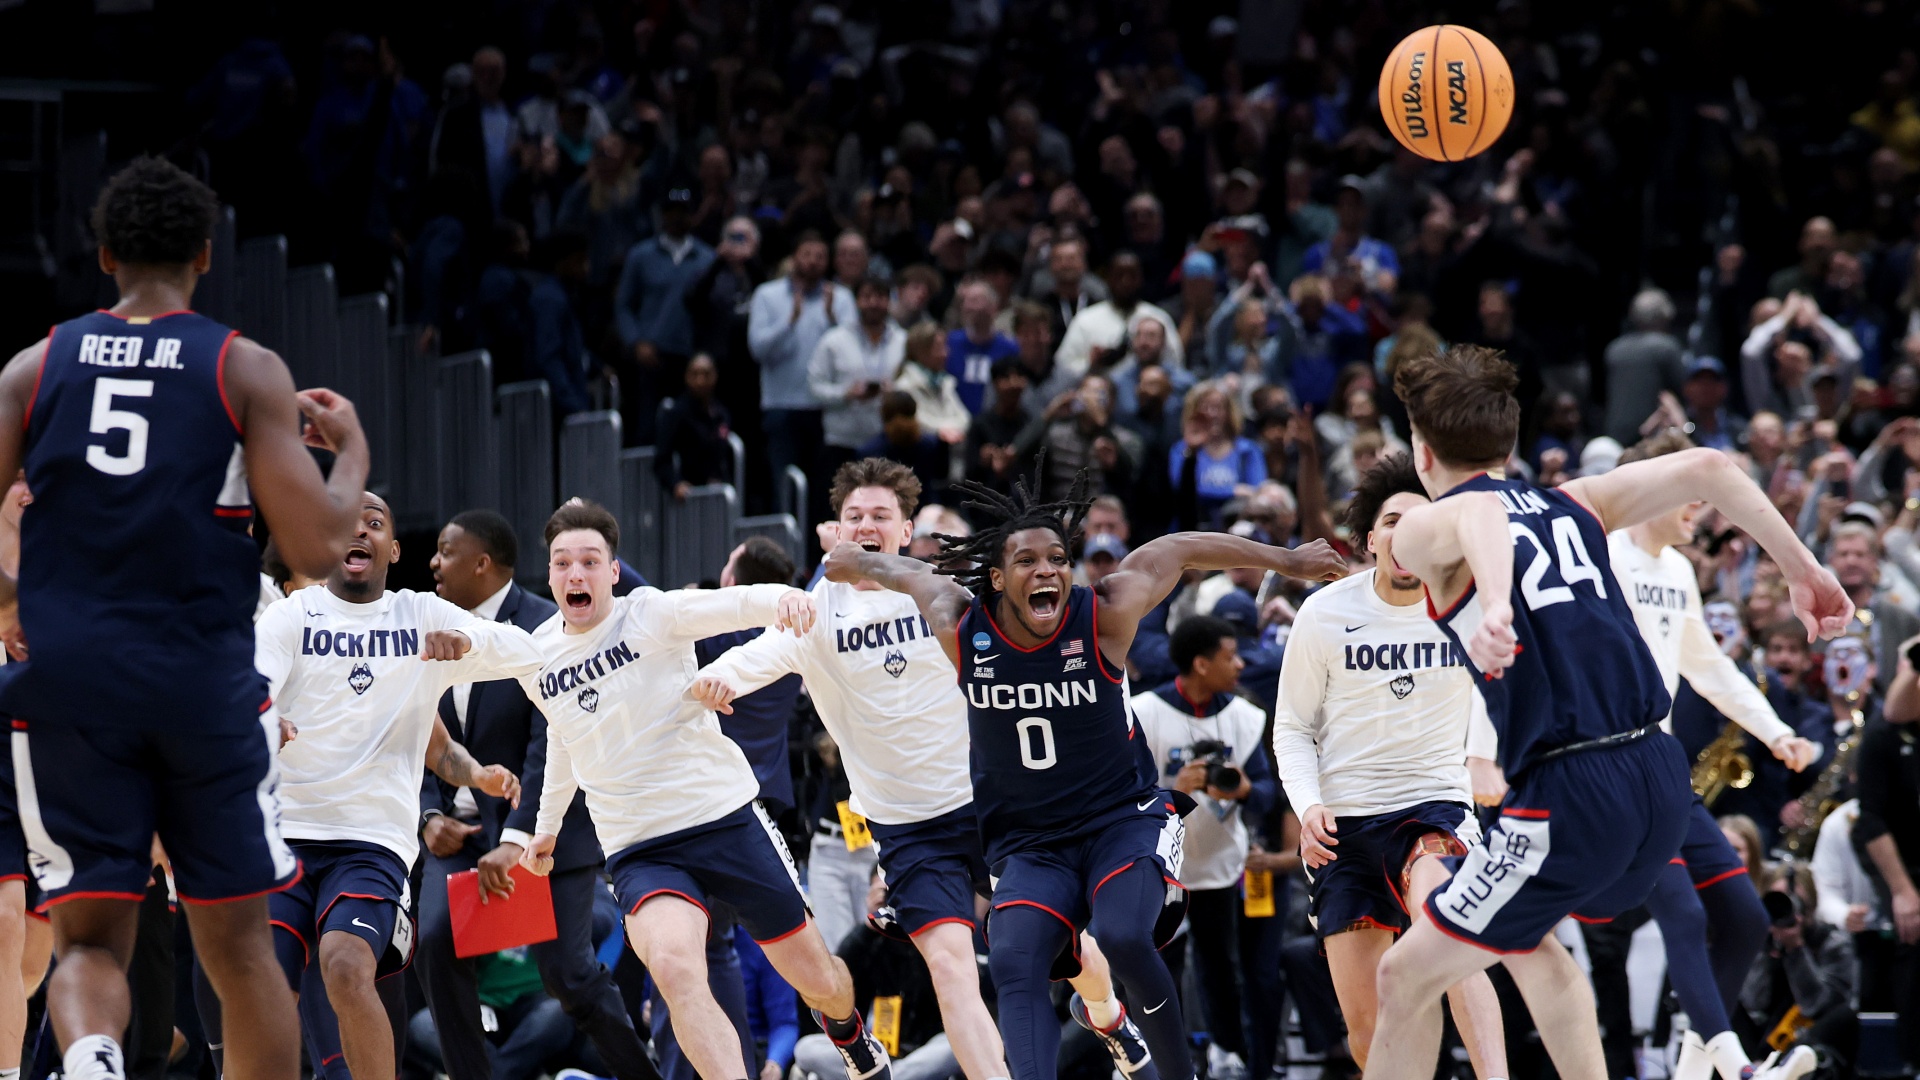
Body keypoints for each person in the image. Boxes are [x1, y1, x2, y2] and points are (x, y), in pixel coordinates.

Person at [1368, 344, 1850, 1080]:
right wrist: (1802, 568)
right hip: (1658, 779)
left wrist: (1494, 602)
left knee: (1404, 976)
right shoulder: (1577, 501)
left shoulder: (1424, 525)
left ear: (1420, 450)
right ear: (1511, 441)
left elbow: (1477, 521)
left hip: (1571, 793)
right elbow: (1713, 469)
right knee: (1530, 945)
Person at [0, 156, 371, 1080]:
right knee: (243, 954)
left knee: (87, 937)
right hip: (199, 683)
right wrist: (354, 449)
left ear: (104, 254)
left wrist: (10, 605)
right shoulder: (242, 367)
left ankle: (90, 1060)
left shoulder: (29, 368)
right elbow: (318, 547)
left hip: (71, 683)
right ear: (207, 256)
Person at [817, 464, 1345, 1080]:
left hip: (1120, 820)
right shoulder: (960, 624)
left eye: (1058, 558)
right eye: (1027, 562)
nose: (1046, 571)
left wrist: (1285, 559)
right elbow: (899, 569)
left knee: (1122, 935)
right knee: (1013, 958)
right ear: (995, 578)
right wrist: (848, 562)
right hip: (1031, 843)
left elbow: (1177, 548)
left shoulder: (1105, 614)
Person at [693, 459, 1158, 1080]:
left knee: (1067, 957)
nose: (865, 525)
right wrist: (717, 679)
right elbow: (760, 655)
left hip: (990, 808)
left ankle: (1106, 1014)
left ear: (905, 529)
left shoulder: (942, 592)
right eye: (852, 516)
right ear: (833, 532)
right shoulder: (815, 610)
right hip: (906, 828)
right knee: (949, 965)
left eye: (880, 516)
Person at [514, 501, 891, 1080]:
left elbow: (732, 602)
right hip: (639, 848)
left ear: (613, 571)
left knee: (818, 979)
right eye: (562, 563)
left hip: (722, 819)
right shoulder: (539, 657)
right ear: (549, 574)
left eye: (590, 561)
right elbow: (566, 739)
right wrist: (546, 827)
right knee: (675, 968)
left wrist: (783, 599)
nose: (575, 574)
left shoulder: (652, 614)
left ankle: (849, 1031)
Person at [255, 493, 530, 1080]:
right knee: (263, 988)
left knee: (346, 964)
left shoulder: (423, 614)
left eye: (374, 523)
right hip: (282, 837)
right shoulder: (290, 617)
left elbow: (522, 651)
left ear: (394, 548)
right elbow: (254, 682)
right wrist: (262, 716)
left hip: (370, 843)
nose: (359, 529)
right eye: (345, 523)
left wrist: (470, 643)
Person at [1269, 453, 1508, 1080]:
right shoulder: (1323, 614)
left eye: (1422, 521)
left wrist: (1481, 757)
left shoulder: (1467, 605)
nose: (1407, 534)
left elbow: (1500, 687)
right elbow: (1292, 728)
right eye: (1393, 521)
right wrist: (1307, 804)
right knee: (1366, 1028)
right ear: (1371, 539)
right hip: (1345, 820)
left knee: (1447, 926)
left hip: (1435, 803)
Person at [1603, 432, 1819, 1080]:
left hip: (1662, 765)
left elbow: (1708, 666)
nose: (1700, 510)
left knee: (1745, 918)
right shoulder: (1602, 559)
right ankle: (1738, 1066)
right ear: (1651, 489)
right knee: (1685, 911)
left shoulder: (1675, 572)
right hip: (1609, 766)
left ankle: (1694, 1071)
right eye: (1690, 497)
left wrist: (1775, 729)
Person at [416, 510, 656, 1080]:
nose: (434, 562)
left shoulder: (546, 626)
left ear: (482, 563)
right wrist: (428, 813)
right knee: (431, 942)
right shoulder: (432, 628)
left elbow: (550, 741)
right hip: (462, 834)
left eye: (446, 551)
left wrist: (520, 834)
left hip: (546, 828)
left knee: (568, 977)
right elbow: (414, 727)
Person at [1130, 616, 1280, 1080]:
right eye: (1229, 656)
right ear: (1200, 663)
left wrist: (1242, 791)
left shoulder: (1245, 716)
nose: (1240, 664)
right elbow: (1122, 795)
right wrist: (1175, 787)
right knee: (1155, 970)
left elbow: (1269, 797)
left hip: (1220, 865)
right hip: (1160, 868)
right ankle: (1149, 1059)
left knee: (1222, 970)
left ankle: (1227, 1054)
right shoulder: (1144, 712)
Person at [749, 232, 856, 523]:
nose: (812, 262)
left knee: (827, 492)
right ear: (794, 257)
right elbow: (757, 349)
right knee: (784, 487)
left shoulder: (841, 298)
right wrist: (789, 321)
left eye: (820, 256)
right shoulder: (767, 295)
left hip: (827, 409)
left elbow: (852, 350)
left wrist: (833, 318)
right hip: (782, 406)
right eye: (806, 254)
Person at [810, 276, 906, 481]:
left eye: (880, 297)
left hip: (888, 438)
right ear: (856, 301)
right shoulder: (834, 340)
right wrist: (845, 394)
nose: (873, 303)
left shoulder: (903, 341)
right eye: (867, 296)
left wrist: (895, 392)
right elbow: (814, 386)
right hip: (842, 441)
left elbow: (914, 383)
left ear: (889, 302)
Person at [1056, 252, 1182, 379]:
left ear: (1141, 279)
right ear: (1108, 279)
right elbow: (1063, 368)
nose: (1126, 282)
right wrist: (1092, 363)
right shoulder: (1086, 319)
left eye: (1132, 276)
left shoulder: (1158, 318)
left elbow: (1176, 362)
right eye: (1119, 275)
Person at [947, 282, 1019, 415]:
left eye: (975, 301)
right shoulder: (950, 343)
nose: (968, 306)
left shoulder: (1010, 349)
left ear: (993, 307)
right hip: (954, 421)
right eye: (965, 301)